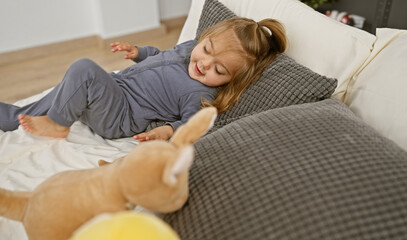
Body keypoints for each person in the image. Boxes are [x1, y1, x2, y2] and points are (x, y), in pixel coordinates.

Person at [0, 17, 287, 141]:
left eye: (219, 70)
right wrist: (140, 52)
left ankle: (59, 125)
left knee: (84, 69)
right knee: (70, 85)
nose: (203, 64)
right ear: (203, 38)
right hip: (118, 88)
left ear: (230, 81)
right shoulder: (189, 50)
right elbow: (164, 55)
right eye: (207, 49)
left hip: (120, 116)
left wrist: (168, 131)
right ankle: (12, 117)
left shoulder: (199, 94)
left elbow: (192, 125)